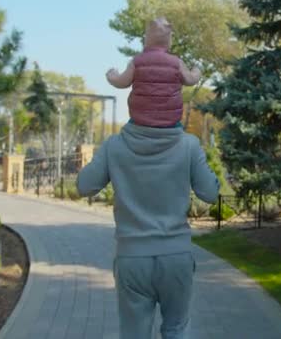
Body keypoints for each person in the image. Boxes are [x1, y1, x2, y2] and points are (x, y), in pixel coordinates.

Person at [77, 17, 219, 339]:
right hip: (176, 258)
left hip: (132, 259)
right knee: (177, 329)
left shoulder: (115, 147)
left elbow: (84, 186)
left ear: (135, 96)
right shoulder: (188, 146)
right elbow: (210, 193)